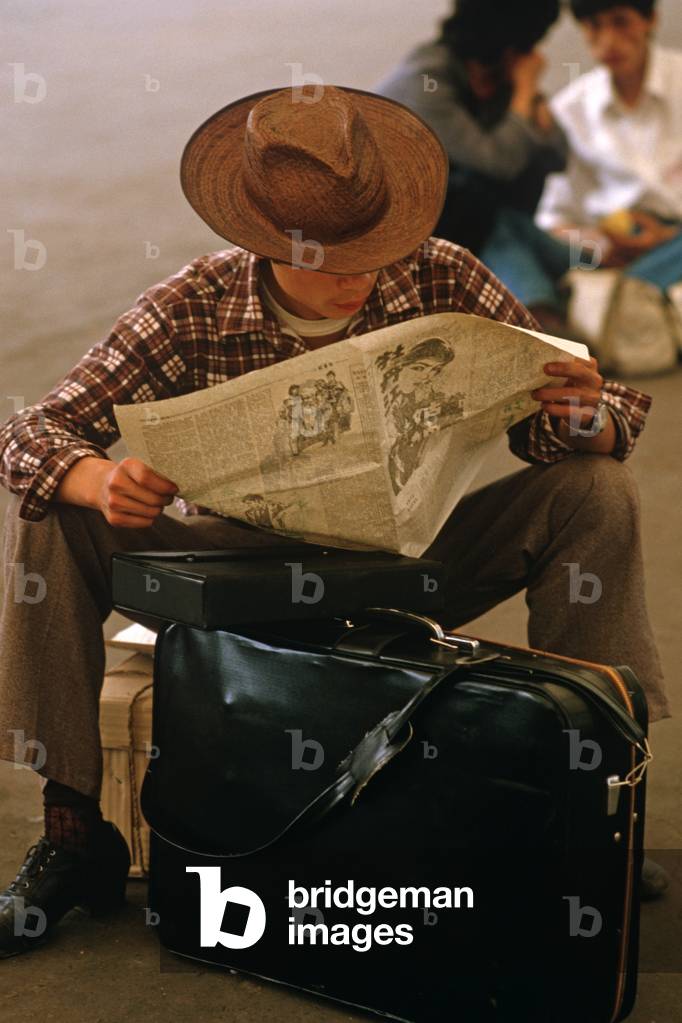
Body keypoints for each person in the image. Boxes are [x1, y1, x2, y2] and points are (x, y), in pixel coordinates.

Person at [0, 82, 671, 958]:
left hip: (409, 559)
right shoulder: (194, 304)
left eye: (377, 244)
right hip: (240, 575)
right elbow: (30, 430)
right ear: (269, 244)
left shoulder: (440, 273)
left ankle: (595, 796)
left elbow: (582, 408)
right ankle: (74, 831)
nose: (365, 271)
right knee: (52, 514)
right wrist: (95, 480)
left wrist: (586, 415)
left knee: (597, 488)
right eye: (335, 256)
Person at [376, 0, 574, 331]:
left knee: (497, 218)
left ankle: (551, 292)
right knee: (484, 205)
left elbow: (557, 157)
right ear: (510, 48)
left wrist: (529, 99)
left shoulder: (496, 76)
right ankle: (541, 310)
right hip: (401, 230)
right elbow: (497, 162)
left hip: (478, 222)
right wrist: (525, 94)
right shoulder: (425, 80)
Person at [535, 0, 682, 353]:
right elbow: (553, 220)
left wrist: (663, 235)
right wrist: (599, 242)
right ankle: (613, 300)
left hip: (674, 237)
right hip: (605, 247)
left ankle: (625, 295)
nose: (608, 41)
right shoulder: (571, 109)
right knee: (504, 224)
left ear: (650, 20)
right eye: (594, 26)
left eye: (621, 22)